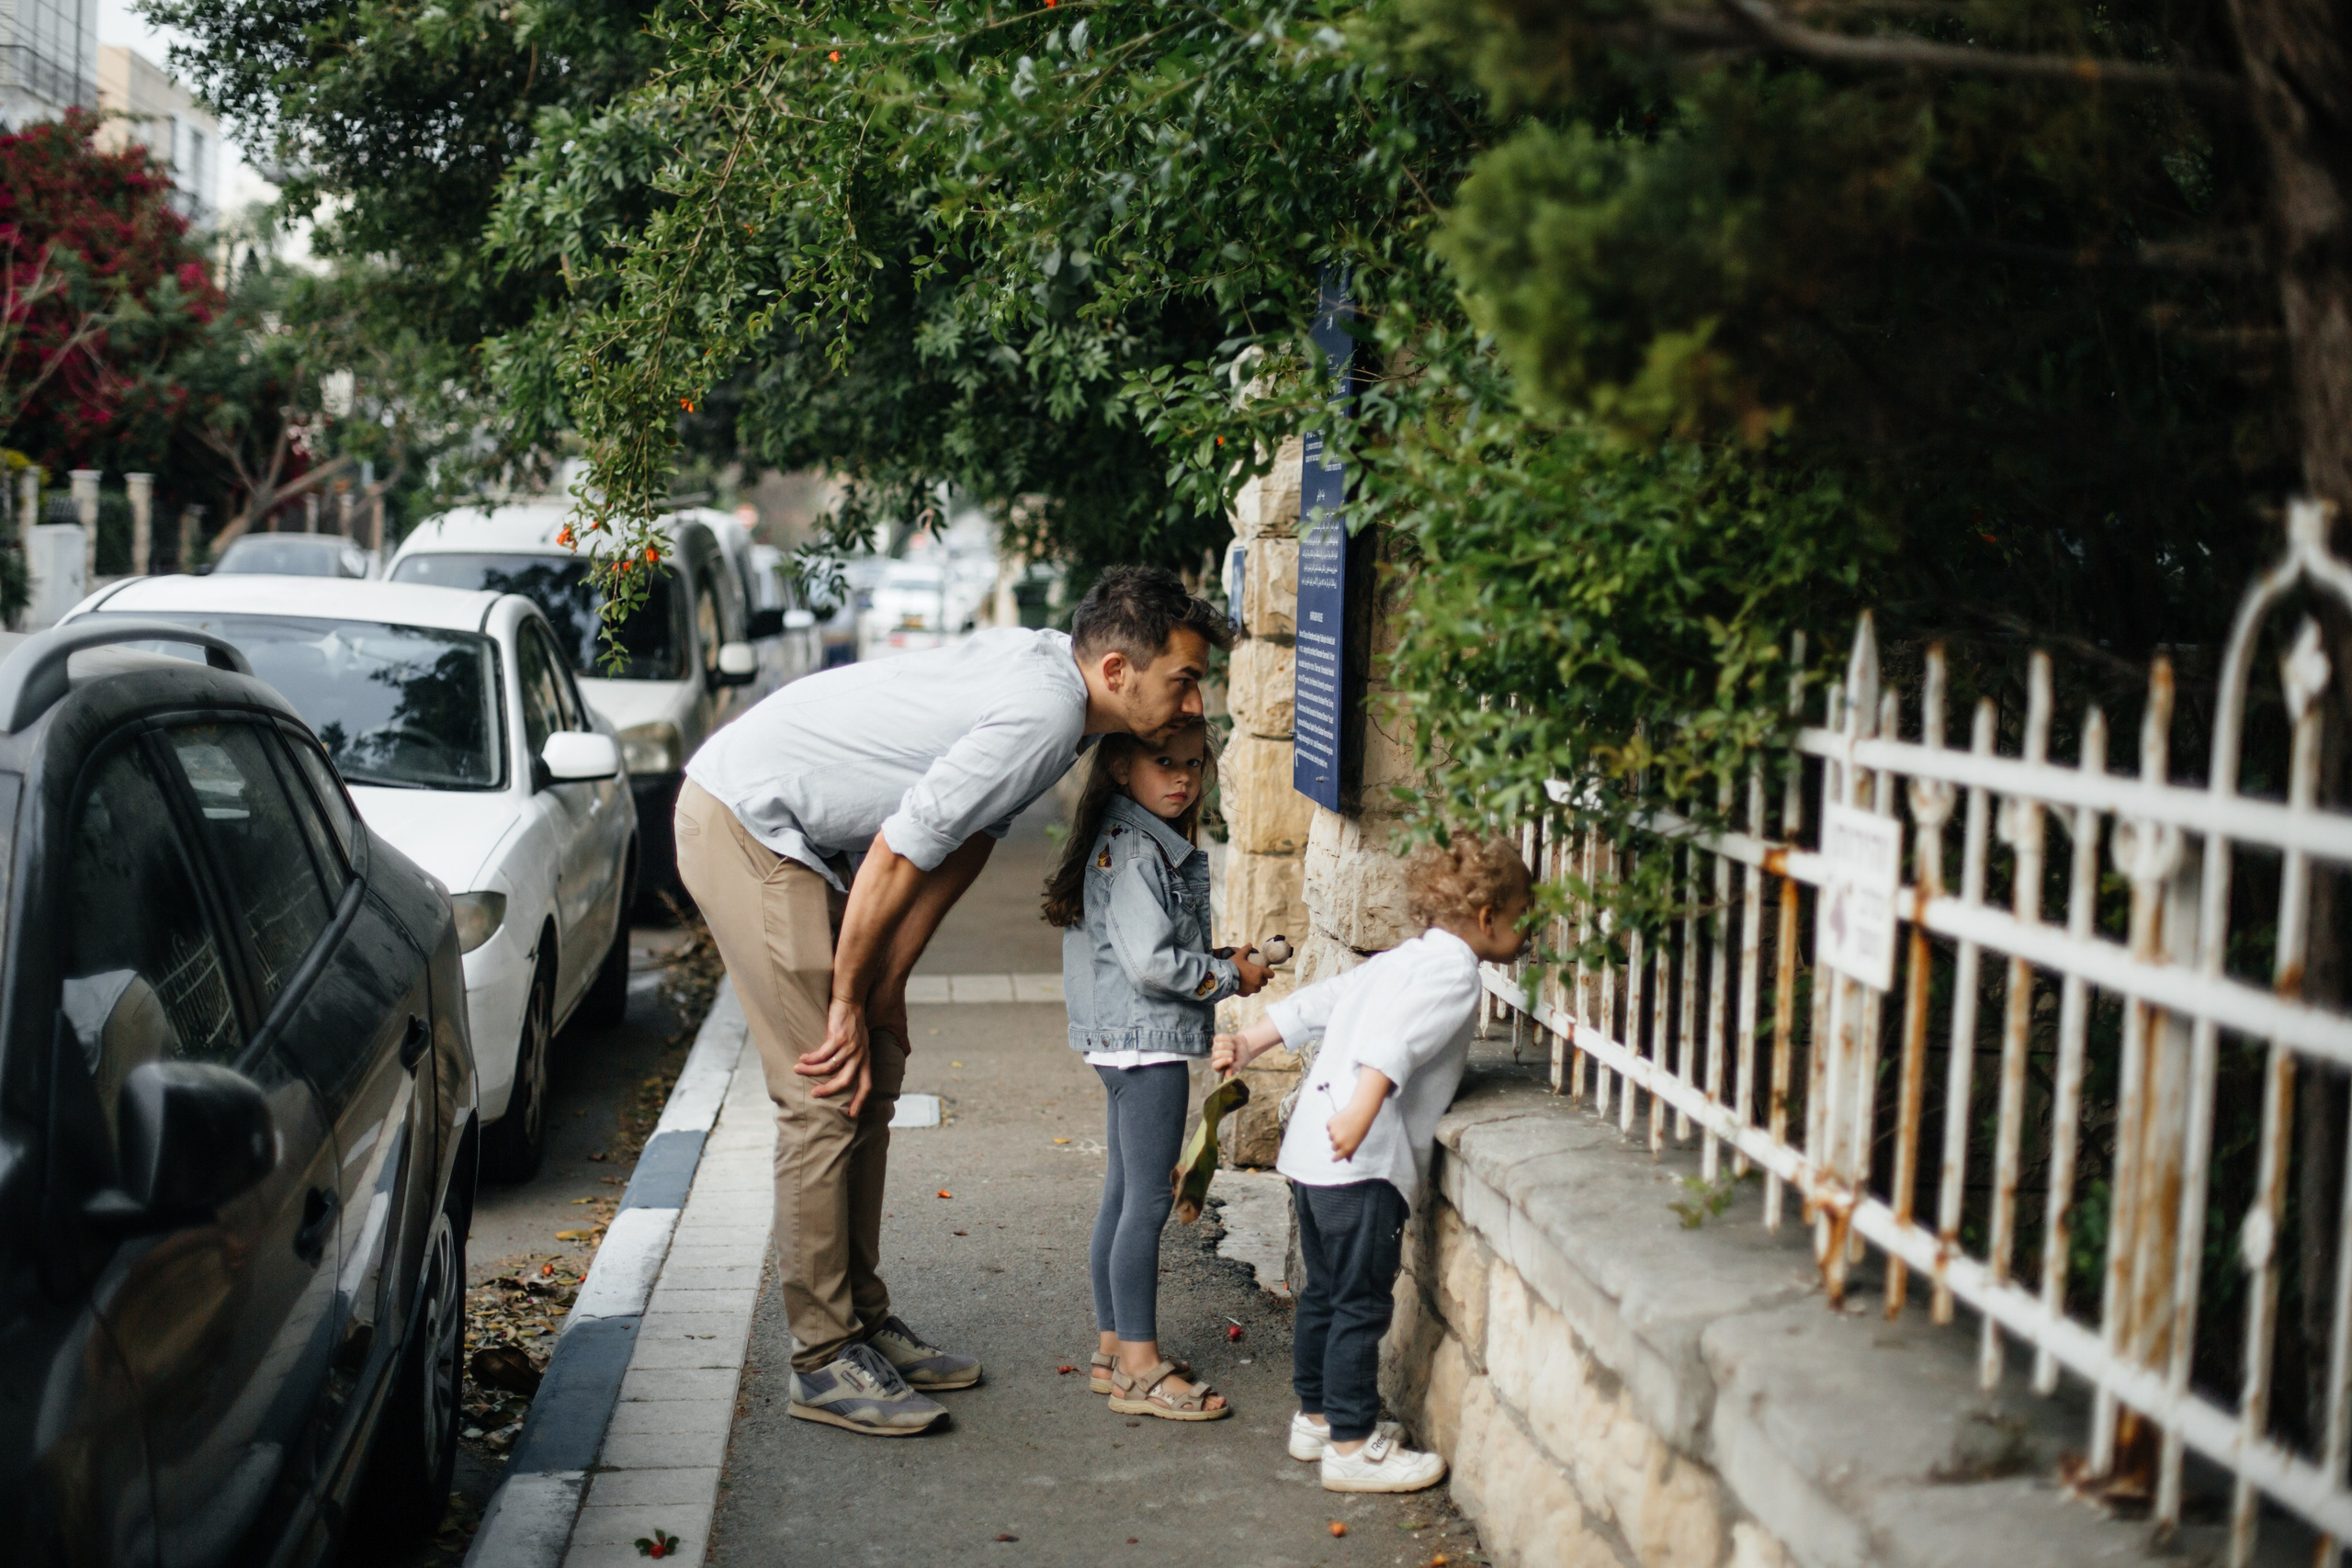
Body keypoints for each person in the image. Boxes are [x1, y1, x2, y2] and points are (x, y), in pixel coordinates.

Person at [675, 565, 1227, 1437]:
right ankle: (822, 1359)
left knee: (877, 1061)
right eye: (1185, 679)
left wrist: (886, 988)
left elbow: (962, 843)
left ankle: (859, 1318)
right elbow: (899, 851)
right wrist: (849, 1000)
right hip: (748, 820)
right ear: (1118, 670)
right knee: (826, 1080)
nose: (1197, 705)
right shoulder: (1047, 711)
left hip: (802, 838)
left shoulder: (1068, 704)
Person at [1212, 833, 1532, 1492]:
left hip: (1309, 1152)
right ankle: (1353, 1446)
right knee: (1360, 1302)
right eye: (1526, 913)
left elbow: (1320, 1002)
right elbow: (1395, 1044)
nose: (1532, 929)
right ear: (1488, 917)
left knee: (1325, 1295)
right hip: (1358, 1157)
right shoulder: (1451, 971)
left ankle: (1319, 1417)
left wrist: (1249, 1037)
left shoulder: (1403, 960)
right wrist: (1363, 1111)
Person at [1041, 717, 1271, 1422]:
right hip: (1150, 1045)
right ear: (1119, 767)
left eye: (1194, 764)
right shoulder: (1140, 850)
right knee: (1145, 1203)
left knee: (1122, 1193)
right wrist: (1228, 976)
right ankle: (1140, 1368)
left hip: (1119, 1041)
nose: (1181, 777)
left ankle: (1114, 1348)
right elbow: (1153, 964)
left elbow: (1147, 947)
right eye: (1163, 762)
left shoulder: (1117, 837)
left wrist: (1219, 960)